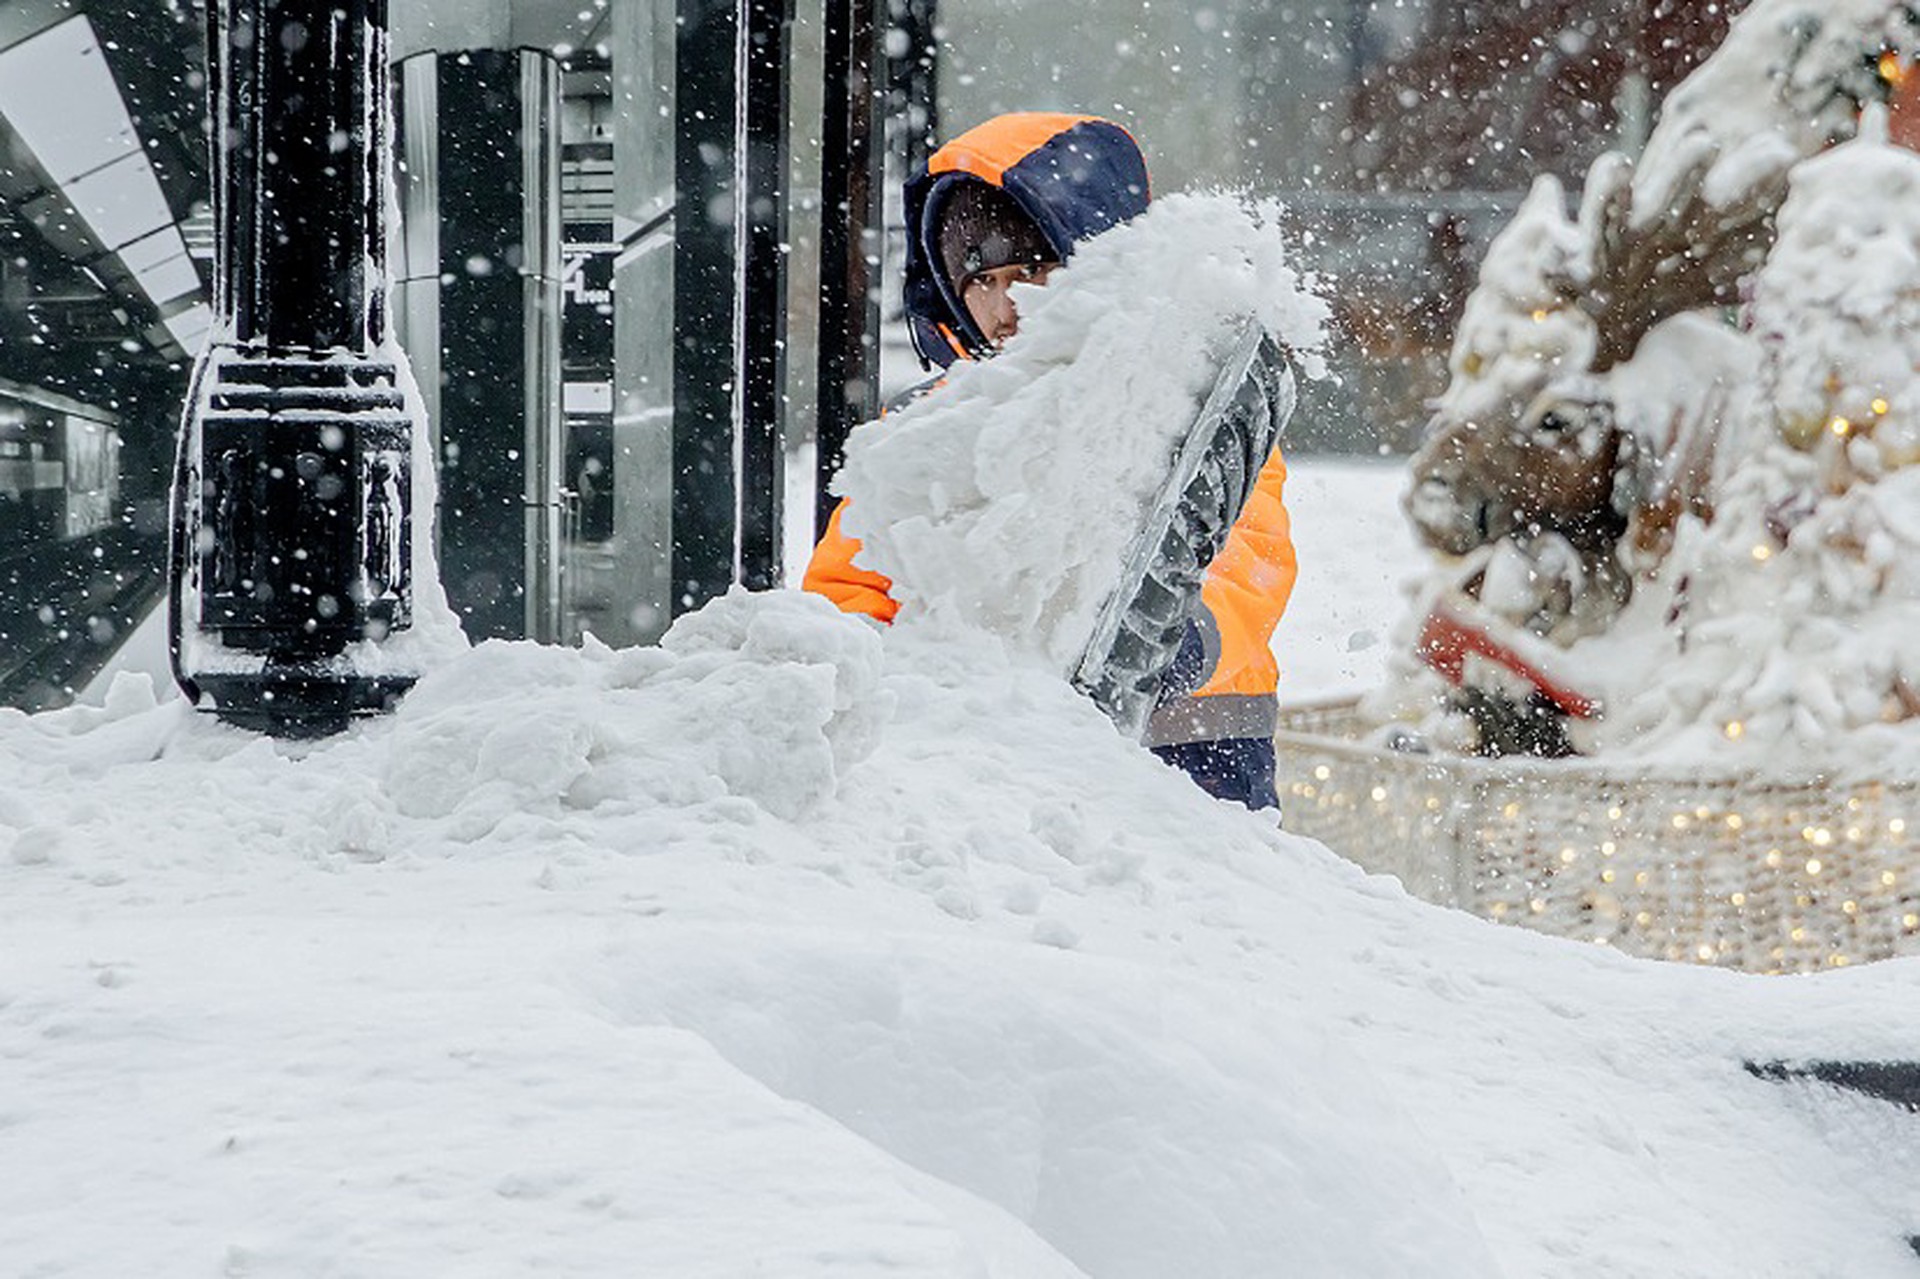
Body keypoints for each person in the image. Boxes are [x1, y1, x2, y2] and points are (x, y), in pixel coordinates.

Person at [804, 112, 1297, 810]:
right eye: (982, 279)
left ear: (1098, 260)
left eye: (1034, 269)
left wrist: (1180, 638)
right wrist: (865, 663)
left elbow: (1247, 561)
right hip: (986, 768)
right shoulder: (928, 430)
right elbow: (852, 587)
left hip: (1191, 759)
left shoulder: (1187, 397)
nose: (1008, 304)